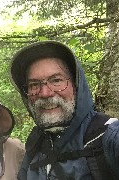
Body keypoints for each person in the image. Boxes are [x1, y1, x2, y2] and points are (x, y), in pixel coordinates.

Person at [9, 40, 119, 179]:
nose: (45, 93)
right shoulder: (35, 145)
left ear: (76, 84)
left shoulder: (108, 136)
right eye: (34, 84)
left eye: (56, 80)